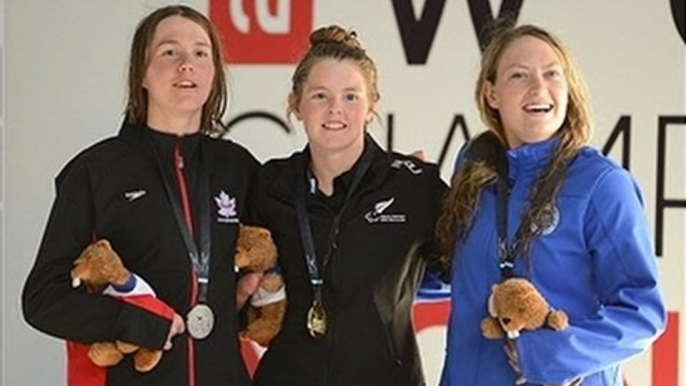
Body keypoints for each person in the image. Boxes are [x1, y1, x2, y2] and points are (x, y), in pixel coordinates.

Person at [22, 5, 258, 386]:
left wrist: (243, 304)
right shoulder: (97, 170)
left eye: (201, 53)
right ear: (142, 73)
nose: (187, 64)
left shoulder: (239, 168)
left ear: (214, 72)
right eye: (170, 52)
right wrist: (137, 324)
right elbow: (43, 299)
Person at [435, 24, 666, 386]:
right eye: (519, 75)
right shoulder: (474, 169)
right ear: (491, 93)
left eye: (552, 74)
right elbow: (451, 273)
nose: (539, 87)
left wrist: (551, 356)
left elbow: (643, 313)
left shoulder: (601, 184)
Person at [248, 25, 448, 386]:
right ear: (296, 104)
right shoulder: (269, 185)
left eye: (351, 97)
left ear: (372, 107)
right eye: (320, 96)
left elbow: (469, 271)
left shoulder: (414, 187)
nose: (335, 109)